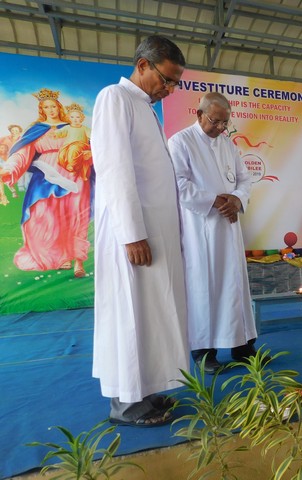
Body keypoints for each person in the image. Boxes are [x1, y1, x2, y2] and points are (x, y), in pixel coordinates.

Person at [90, 35, 190, 427]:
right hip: (132, 234)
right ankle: (125, 403)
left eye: (175, 83)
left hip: (153, 232)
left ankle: (144, 389)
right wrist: (131, 233)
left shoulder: (144, 107)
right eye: (166, 79)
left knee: (150, 314)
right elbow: (114, 169)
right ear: (143, 65)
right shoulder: (114, 98)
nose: (170, 89)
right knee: (129, 313)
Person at [168, 92, 263, 373]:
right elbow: (178, 184)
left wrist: (236, 199)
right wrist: (216, 201)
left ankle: (242, 348)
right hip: (201, 229)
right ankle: (204, 352)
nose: (220, 127)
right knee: (204, 287)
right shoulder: (180, 142)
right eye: (215, 121)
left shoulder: (227, 144)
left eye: (225, 123)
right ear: (199, 115)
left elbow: (244, 179)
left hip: (229, 226)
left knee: (235, 286)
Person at [0, 89, 91, 277]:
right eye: (46, 107)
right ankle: (61, 256)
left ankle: (78, 261)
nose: (50, 110)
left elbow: (89, 145)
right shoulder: (36, 130)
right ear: (41, 109)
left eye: (53, 106)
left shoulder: (73, 126)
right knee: (45, 215)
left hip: (73, 172)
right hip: (45, 174)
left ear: (59, 107)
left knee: (75, 214)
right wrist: (9, 169)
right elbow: (22, 154)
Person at [55, 103, 93, 182]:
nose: (75, 119)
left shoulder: (84, 128)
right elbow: (60, 133)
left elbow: (93, 136)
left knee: (74, 149)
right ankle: (72, 169)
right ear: (69, 118)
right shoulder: (68, 127)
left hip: (81, 145)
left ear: (81, 118)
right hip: (67, 146)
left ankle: (72, 166)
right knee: (62, 155)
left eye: (77, 117)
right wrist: (55, 133)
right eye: (72, 117)